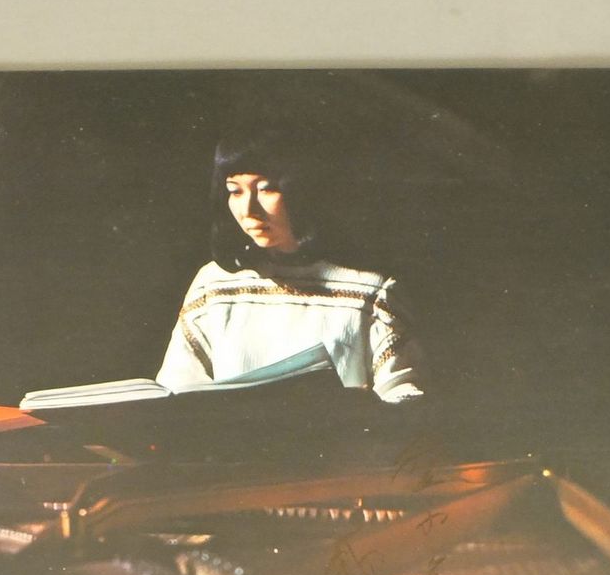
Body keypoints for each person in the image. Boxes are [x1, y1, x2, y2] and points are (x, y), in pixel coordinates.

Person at [156, 128, 426, 403]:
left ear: (304, 189)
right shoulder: (213, 284)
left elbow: (403, 396)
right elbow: (178, 388)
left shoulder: (371, 290)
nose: (248, 209)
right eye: (235, 191)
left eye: (266, 189)